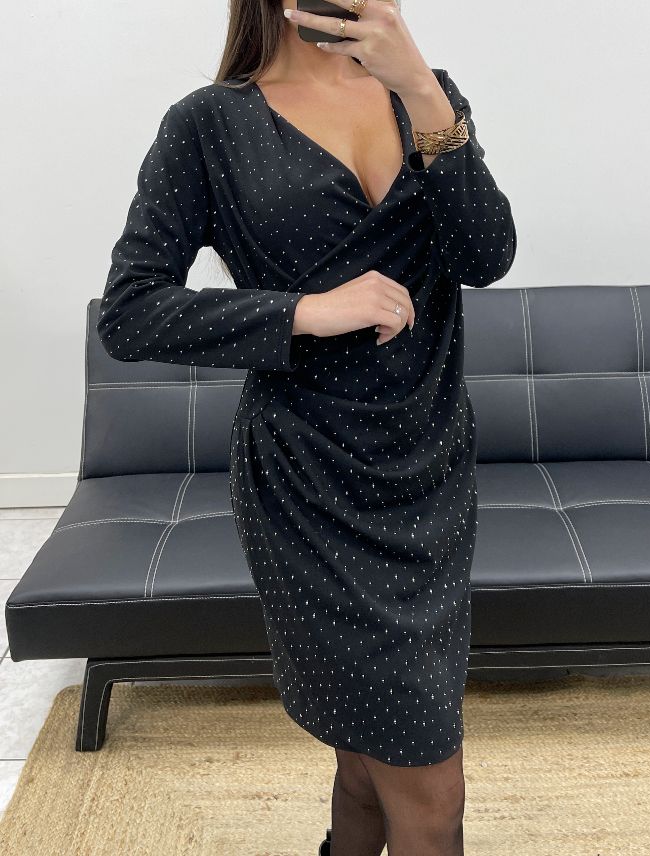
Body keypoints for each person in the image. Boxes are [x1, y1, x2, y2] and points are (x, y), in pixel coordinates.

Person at [97, 0, 516, 853]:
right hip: (308, 483)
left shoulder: (426, 95)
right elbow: (130, 312)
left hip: (430, 472)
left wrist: (422, 90)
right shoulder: (209, 124)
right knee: (431, 794)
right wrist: (302, 311)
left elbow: (487, 256)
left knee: (369, 758)